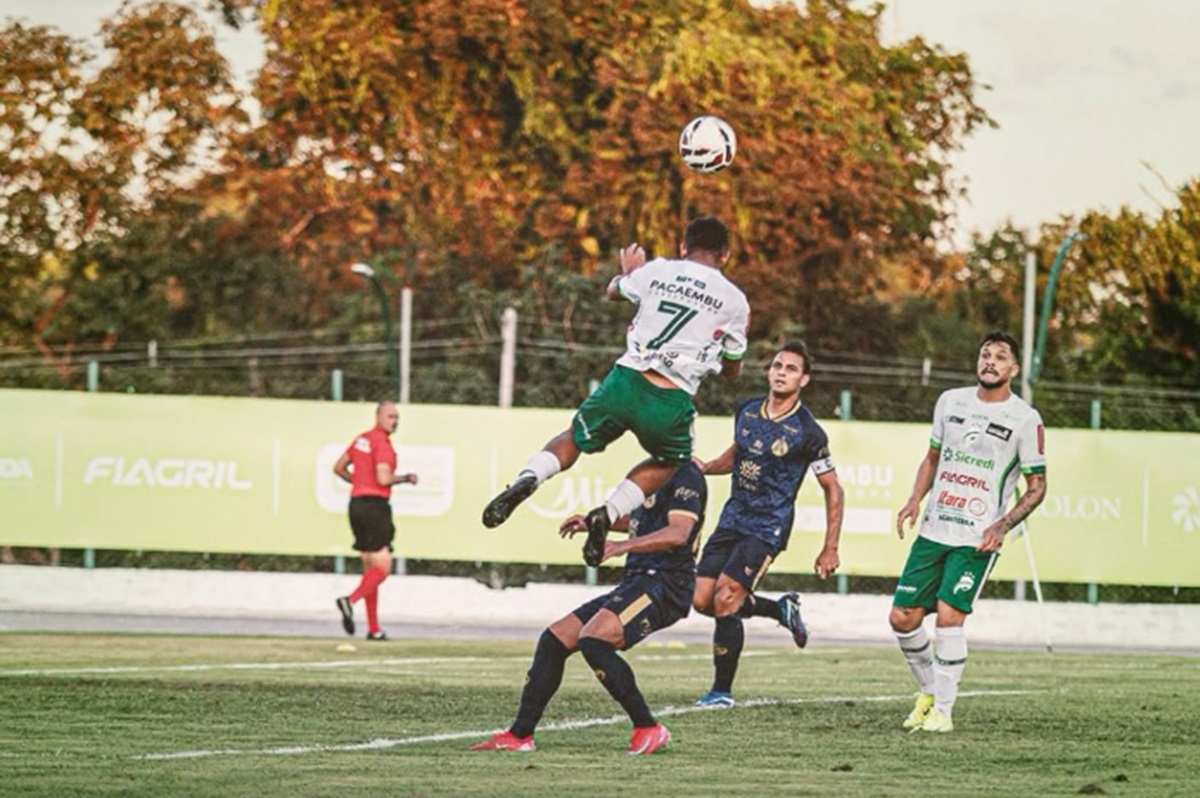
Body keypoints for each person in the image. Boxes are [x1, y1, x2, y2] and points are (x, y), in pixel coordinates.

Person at [482, 217, 749, 568]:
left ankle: (528, 478)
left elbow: (612, 292)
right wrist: (721, 358)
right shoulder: (735, 300)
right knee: (673, 463)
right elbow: (732, 369)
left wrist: (628, 273)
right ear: (725, 255)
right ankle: (607, 514)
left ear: (683, 247)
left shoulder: (659, 270)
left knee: (574, 438)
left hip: (625, 380)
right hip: (671, 397)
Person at [471, 461, 708, 755]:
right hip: (639, 580)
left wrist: (620, 546)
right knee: (554, 639)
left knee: (594, 640)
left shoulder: (687, 473)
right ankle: (520, 736)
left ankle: (648, 727)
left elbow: (678, 533)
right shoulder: (652, 469)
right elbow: (641, 519)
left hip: (666, 584)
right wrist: (594, 523)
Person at [891, 330, 1047, 733]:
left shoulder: (1025, 419)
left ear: (1013, 369)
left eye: (999, 357)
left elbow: (1037, 486)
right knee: (902, 618)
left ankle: (943, 711)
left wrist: (1003, 524)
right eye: (985, 354)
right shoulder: (950, 402)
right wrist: (914, 499)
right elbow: (932, 458)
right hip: (934, 528)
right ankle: (928, 691)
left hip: (978, 536)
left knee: (948, 616)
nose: (990, 362)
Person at [691, 341, 844, 709]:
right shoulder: (746, 411)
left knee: (727, 599)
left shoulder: (809, 432)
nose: (781, 372)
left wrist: (830, 546)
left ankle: (721, 692)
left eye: (791, 368)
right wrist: (709, 467)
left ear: (803, 379)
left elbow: (833, 489)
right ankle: (779, 610)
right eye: (777, 365)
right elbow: (739, 453)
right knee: (700, 600)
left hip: (767, 525)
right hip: (733, 515)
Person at [332, 401, 418, 642]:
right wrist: (406, 478)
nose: (395, 421)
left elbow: (338, 468)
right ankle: (349, 600)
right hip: (375, 506)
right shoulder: (382, 443)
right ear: (378, 416)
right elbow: (383, 478)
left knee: (370, 568)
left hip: (356, 504)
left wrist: (359, 481)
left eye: (397, 417)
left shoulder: (362, 438)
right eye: (390, 416)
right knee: (382, 567)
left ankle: (374, 629)